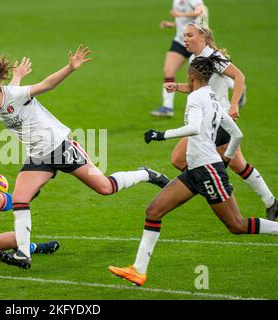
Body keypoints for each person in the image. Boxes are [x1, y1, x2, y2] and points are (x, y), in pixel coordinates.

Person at [0, 45, 170, 269]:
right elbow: (8, 99)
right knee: (19, 199)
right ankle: (23, 254)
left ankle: (146, 173)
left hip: (61, 148)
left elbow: (47, 85)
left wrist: (71, 68)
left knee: (104, 188)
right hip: (38, 157)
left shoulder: (14, 95)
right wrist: (17, 76)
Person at [108, 55, 278, 287]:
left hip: (207, 170)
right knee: (154, 211)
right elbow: (237, 134)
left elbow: (194, 128)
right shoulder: (213, 98)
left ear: (191, 75)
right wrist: (226, 159)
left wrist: (161, 135)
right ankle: (138, 270)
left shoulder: (196, 98)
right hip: (197, 170)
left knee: (236, 225)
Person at [165, 23, 277, 220]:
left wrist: (234, 105)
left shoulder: (215, 57)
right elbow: (196, 88)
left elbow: (239, 77)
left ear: (202, 36)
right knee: (238, 164)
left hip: (217, 120)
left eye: (189, 35)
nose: (185, 40)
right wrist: (178, 87)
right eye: (184, 36)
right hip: (215, 121)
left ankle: (216, 184)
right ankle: (271, 202)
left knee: (178, 158)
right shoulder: (195, 58)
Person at [150, 0, 208, 117]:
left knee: (205, 76)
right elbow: (184, 22)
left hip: (196, 43)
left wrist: (179, 15)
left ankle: (236, 85)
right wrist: (171, 24)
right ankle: (167, 107)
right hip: (180, 41)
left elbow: (200, 11)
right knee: (168, 71)